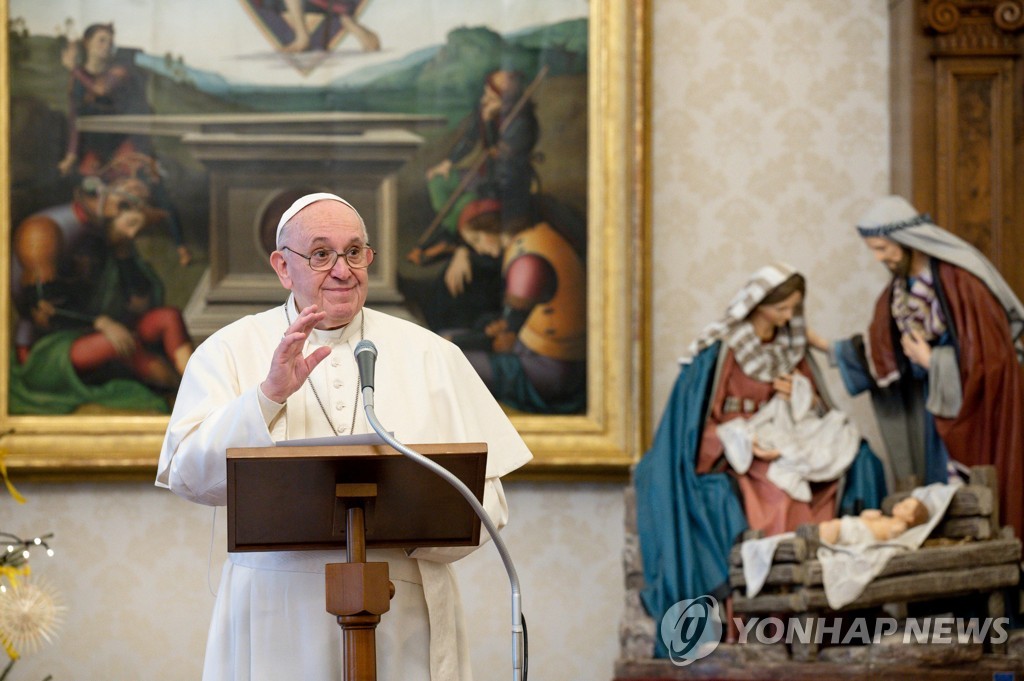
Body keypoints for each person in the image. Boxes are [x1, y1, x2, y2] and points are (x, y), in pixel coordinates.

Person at [156, 193, 532, 681]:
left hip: (405, 610)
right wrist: (267, 397)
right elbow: (189, 477)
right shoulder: (229, 350)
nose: (342, 270)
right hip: (276, 619)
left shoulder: (432, 355)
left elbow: (490, 504)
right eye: (321, 254)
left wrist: (410, 532)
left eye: (355, 252)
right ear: (282, 267)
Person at [633, 263, 885, 658]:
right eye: (782, 308)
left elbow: (814, 410)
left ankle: (826, 606)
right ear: (760, 305)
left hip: (789, 443)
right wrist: (748, 440)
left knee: (846, 466)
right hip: (742, 454)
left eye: (794, 309)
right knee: (782, 495)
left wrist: (800, 395)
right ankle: (774, 616)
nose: (789, 317)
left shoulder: (790, 349)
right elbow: (698, 430)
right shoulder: (722, 352)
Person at [812, 195, 1024, 540]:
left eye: (883, 248)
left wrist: (934, 361)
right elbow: (883, 354)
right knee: (934, 491)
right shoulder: (899, 288)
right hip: (930, 407)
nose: (880, 258)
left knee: (969, 493)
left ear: (907, 240)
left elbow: (993, 360)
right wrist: (826, 346)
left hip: (969, 410)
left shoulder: (962, 284)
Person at [9, 175, 192, 415]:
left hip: (99, 331)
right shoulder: (43, 232)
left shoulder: (106, 234)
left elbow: (139, 304)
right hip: (46, 350)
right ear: (114, 206)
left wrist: (123, 254)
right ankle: (186, 393)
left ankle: (195, 384)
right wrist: (101, 322)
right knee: (122, 343)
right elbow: (43, 312)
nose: (133, 235)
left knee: (168, 317)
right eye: (131, 224)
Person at [401, 69, 541, 333]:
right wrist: (448, 162)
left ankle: (457, 238)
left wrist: (491, 124)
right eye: (487, 91)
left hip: (509, 182)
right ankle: (458, 233)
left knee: (473, 205)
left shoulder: (522, 121)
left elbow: (508, 162)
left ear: (508, 99)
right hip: (487, 174)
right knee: (441, 182)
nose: (486, 98)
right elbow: (469, 141)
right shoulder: (486, 109)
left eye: (493, 94)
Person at [58, 22, 191, 266]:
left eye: (110, 42)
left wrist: (73, 69)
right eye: (101, 40)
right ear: (87, 43)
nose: (106, 46)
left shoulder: (118, 72)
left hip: (125, 142)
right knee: (87, 191)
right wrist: (70, 154)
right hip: (96, 149)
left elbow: (100, 89)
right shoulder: (76, 80)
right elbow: (74, 119)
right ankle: (98, 253)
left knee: (154, 184)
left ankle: (180, 245)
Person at [445, 198, 586, 414]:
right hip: (532, 349)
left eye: (476, 240)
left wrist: (454, 342)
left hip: (550, 368)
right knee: (444, 341)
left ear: (491, 227)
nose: (478, 249)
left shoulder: (526, 260)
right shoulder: (535, 237)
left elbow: (506, 341)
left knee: (446, 361)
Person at [819, 496, 930, 545]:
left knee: (835, 526)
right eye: (902, 502)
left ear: (911, 518)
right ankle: (808, 539)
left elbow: (891, 538)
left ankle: (815, 546)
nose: (899, 505)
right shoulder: (887, 518)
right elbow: (865, 519)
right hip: (856, 525)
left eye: (905, 507)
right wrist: (865, 515)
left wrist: (894, 533)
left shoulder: (899, 526)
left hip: (861, 534)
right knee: (825, 526)